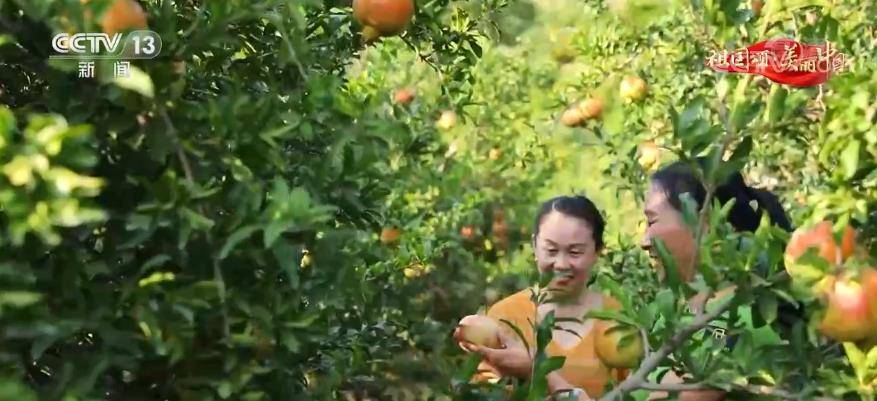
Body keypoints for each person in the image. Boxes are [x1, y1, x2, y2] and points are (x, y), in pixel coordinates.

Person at [640, 160, 797, 401]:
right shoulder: (674, 312)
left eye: (652, 221)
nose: (644, 240)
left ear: (705, 221)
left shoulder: (735, 319)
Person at [453, 195, 628, 400]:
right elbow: (485, 391)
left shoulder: (618, 318)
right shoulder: (504, 317)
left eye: (575, 252)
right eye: (551, 250)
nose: (561, 264)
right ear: (535, 246)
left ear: (597, 250)